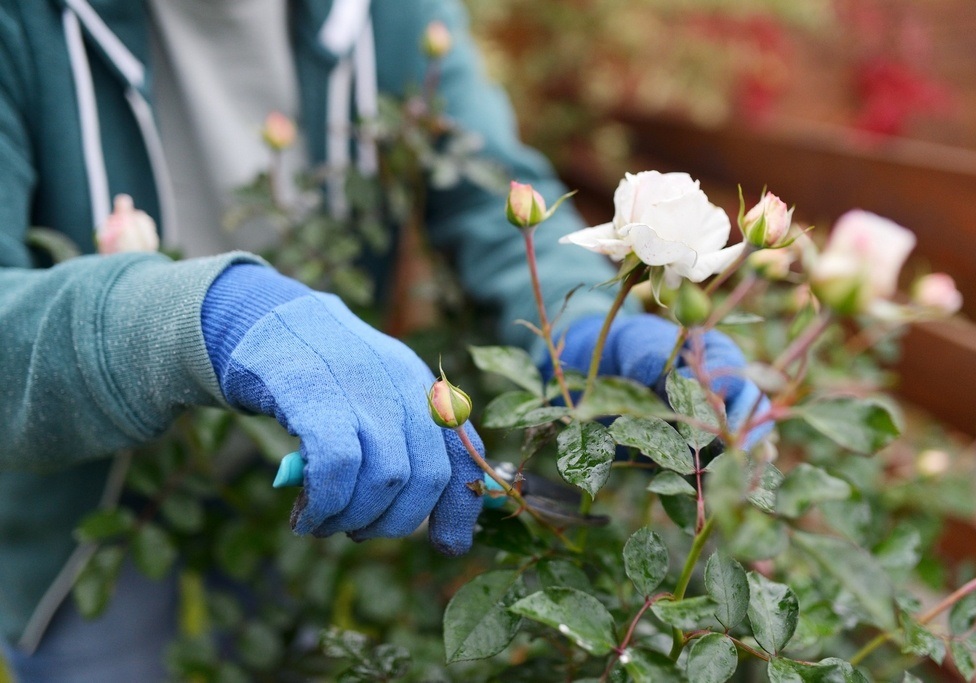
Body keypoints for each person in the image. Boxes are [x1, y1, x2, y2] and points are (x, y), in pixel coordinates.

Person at [0, 1, 767, 680]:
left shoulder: (392, 13)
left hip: (325, 470)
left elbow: (490, 205)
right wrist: (217, 312)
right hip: (86, 498)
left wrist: (587, 336)